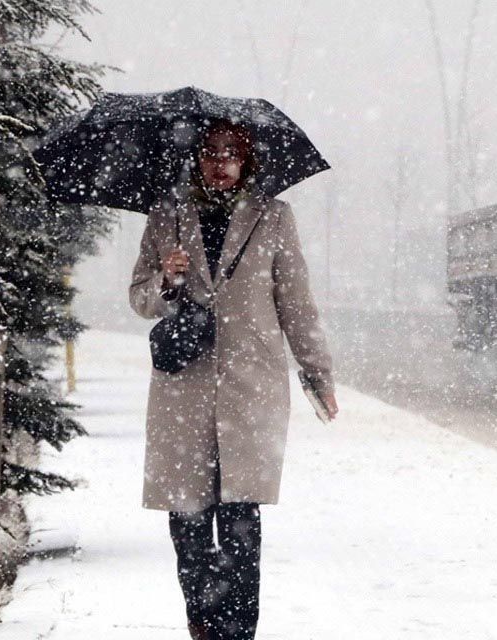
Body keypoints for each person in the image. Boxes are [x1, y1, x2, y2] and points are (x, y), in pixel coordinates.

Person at [129, 119, 339, 640]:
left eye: (230, 154)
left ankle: (239, 631)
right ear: (195, 159)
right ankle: (202, 625)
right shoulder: (166, 215)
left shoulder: (273, 218)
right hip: (186, 390)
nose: (219, 163)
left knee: (242, 520)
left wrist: (317, 373)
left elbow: (296, 304)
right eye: (210, 153)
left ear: (247, 161)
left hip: (252, 387)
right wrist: (167, 281)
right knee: (189, 520)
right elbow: (139, 297)